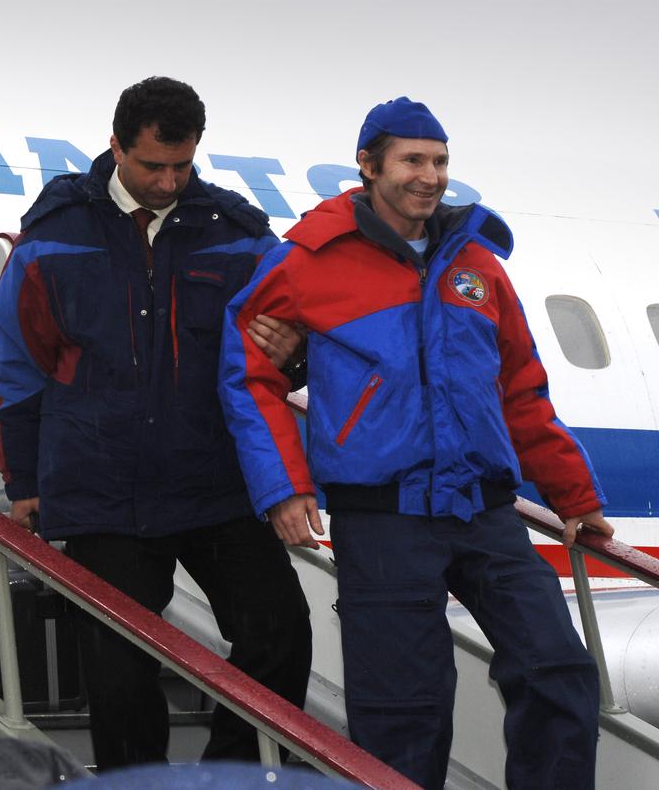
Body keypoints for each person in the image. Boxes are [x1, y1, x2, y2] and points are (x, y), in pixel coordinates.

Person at [218, 97, 612, 789]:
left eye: (439, 161)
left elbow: (520, 389)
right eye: (412, 161)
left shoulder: (478, 265)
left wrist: (574, 497)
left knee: (559, 670)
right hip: (383, 516)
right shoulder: (310, 260)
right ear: (369, 167)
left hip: (484, 510)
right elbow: (248, 375)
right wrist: (284, 484)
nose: (429, 176)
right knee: (404, 711)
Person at [0, 77, 312, 771]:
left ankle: (232, 776)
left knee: (281, 633)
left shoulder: (240, 235)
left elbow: (303, 313)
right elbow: (19, 359)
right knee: (119, 675)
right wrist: (23, 477)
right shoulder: (55, 236)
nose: (168, 181)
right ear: (115, 146)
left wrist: (298, 345)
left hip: (214, 481)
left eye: (182, 167)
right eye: (152, 166)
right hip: (101, 487)